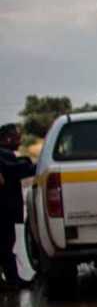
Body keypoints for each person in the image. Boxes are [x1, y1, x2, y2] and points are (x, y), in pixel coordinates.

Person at [0, 123, 36, 289]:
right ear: (7, 138)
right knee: (6, 244)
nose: (19, 141)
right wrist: (30, 164)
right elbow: (16, 169)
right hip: (4, 210)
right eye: (16, 137)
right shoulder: (4, 154)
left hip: (5, 209)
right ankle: (13, 281)